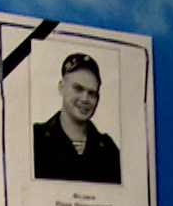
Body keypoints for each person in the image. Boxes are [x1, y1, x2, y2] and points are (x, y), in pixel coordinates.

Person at [33, 52, 121, 184]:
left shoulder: (108, 149)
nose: (85, 98)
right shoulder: (36, 139)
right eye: (78, 89)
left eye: (92, 93)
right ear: (61, 87)